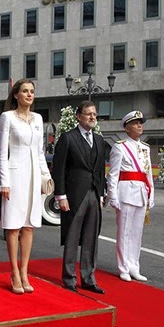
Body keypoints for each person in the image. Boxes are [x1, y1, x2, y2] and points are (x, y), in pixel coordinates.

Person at [0, 80, 52, 294]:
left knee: (29, 226)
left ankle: (25, 271)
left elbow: (40, 152)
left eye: (32, 91)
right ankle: (13, 272)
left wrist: (45, 176)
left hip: (33, 176)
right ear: (16, 95)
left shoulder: (38, 119)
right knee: (13, 226)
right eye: (25, 91)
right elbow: (3, 154)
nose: (29, 95)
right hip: (14, 174)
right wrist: (4, 182)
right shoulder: (7, 117)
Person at [52, 100, 106, 294]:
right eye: (88, 114)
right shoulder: (68, 138)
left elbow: (100, 170)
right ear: (78, 116)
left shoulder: (99, 140)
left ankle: (89, 278)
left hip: (94, 193)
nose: (92, 117)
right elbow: (59, 169)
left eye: (94, 114)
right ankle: (69, 277)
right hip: (74, 195)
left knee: (91, 238)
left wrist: (101, 194)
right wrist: (61, 195)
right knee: (73, 237)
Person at [107, 110, 154, 282]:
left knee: (137, 233)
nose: (139, 126)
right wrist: (113, 196)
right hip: (125, 192)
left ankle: (134, 266)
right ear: (127, 128)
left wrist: (151, 195)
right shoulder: (120, 147)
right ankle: (123, 267)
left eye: (141, 123)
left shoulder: (145, 148)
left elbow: (148, 174)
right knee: (124, 232)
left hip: (142, 192)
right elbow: (113, 174)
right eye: (135, 123)